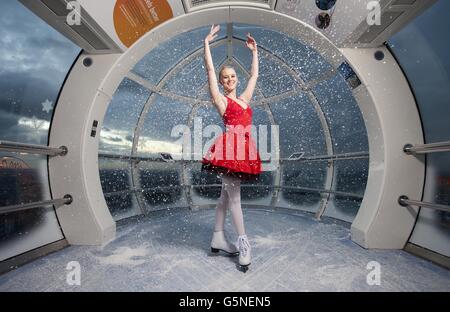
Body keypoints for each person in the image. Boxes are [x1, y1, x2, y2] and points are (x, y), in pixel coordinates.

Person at [201, 24, 262, 272]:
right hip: (230, 150)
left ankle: (217, 237)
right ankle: (243, 243)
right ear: (221, 81)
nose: (229, 80)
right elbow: (209, 68)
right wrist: (206, 42)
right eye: (225, 77)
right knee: (234, 197)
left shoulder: (244, 99)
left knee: (225, 197)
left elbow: (255, 76)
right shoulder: (221, 99)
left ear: (237, 79)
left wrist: (254, 51)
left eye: (232, 76)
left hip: (244, 148)